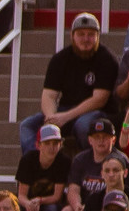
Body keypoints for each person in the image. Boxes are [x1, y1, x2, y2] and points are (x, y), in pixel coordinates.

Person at [30, 12, 119, 152]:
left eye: (91, 34)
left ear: (98, 36)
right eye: (81, 34)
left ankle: (91, 163)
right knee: (28, 126)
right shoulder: (60, 59)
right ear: (72, 36)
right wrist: (51, 120)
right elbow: (49, 95)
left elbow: (99, 100)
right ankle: (38, 162)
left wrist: (65, 117)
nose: (86, 39)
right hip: (65, 110)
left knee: (83, 126)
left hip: (97, 112)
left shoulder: (107, 59)